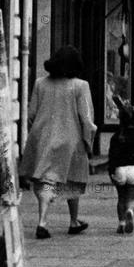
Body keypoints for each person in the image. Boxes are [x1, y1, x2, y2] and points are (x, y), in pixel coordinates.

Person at [20, 46, 96, 239]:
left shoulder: (40, 83)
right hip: (71, 140)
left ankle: (43, 221)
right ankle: (71, 221)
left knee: (46, 179)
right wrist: (89, 142)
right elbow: (86, 118)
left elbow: (31, 114)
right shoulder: (81, 86)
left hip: (43, 137)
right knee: (73, 178)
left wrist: (36, 132)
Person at [108, 97, 134, 234]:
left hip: (120, 169)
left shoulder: (116, 137)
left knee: (121, 198)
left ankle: (121, 223)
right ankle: (130, 211)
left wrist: (111, 172)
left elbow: (111, 157)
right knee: (132, 197)